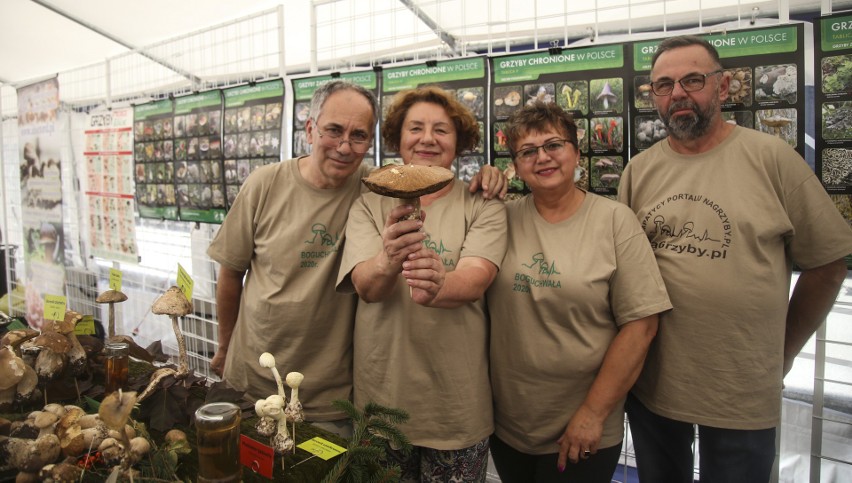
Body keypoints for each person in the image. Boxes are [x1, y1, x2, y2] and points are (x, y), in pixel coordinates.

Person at [208, 81, 505, 437]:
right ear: (309, 129)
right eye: (333, 130)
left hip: (330, 392)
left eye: (359, 136)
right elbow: (230, 272)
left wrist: (492, 172)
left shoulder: (375, 186)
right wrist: (224, 346)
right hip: (253, 378)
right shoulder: (267, 184)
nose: (344, 146)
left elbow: (424, 174)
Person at [618, 35, 852, 483]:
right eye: (664, 85)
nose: (678, 94)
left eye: (693, 80)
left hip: (740, 388)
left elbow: (827, 263)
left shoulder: (773, 160)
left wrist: (782, 353)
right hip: (653, 386)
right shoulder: (639, 170)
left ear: (723, 88)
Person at [486, 101, 671, 483]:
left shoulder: (614, 220)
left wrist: (593, 413)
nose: (543, 158)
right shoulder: (500, 218)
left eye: (554, 145)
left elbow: (642, 325)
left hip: (582, 428)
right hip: (509, 424)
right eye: (528, 151)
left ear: (575, 151)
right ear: (515, 166)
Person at [336, 86, 507, 481]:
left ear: (459, 143)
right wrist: (387, 260)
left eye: (441, 130)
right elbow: (367, 287)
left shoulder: (482, 203)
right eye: (416, 128)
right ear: (398, 139)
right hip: (383, 403)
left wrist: (439, 285)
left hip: (456, 408)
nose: (428, 138)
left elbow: (474, 280)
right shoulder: (368, 203)